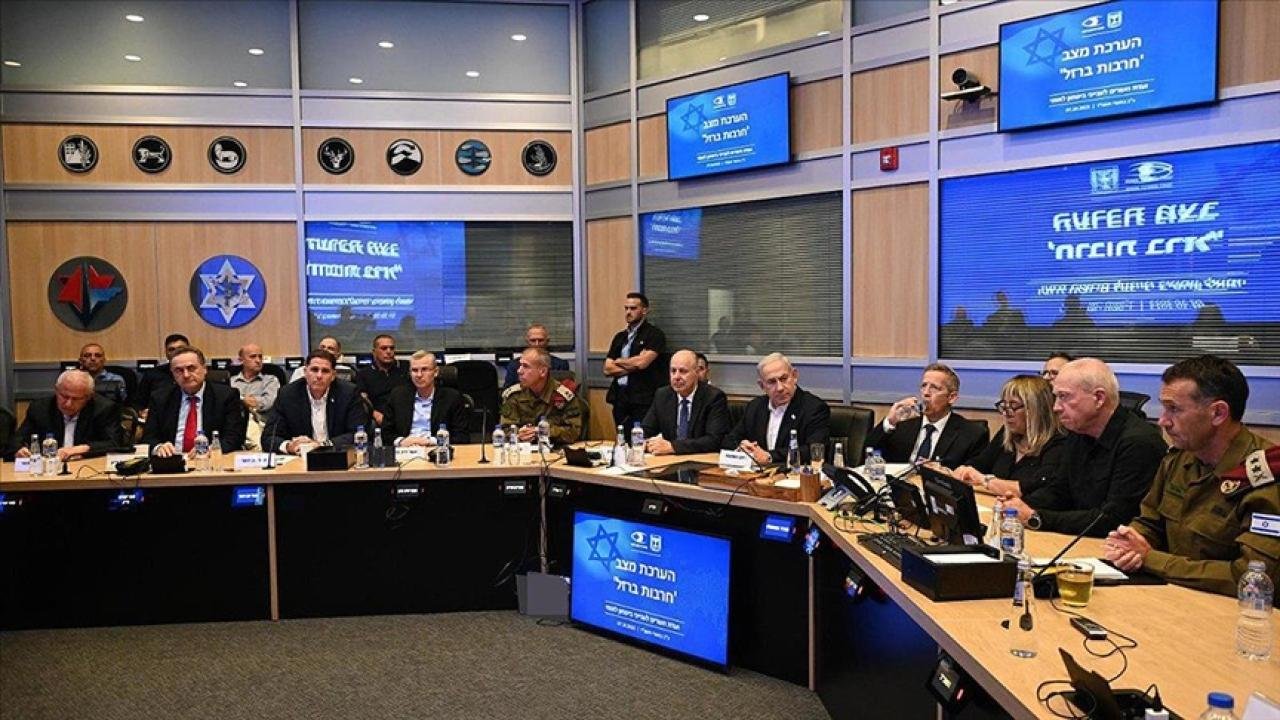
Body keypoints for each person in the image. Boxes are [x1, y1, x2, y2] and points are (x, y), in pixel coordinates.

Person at [1104, 356, 1278, 596]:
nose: (1163, 421)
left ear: (1218, 413)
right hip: (1173, 593)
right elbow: (1150, 522)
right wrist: (1130, 543)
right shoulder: (1179, 459)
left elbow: (1251, 576)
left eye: (1174, 409)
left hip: (1232, 608)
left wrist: (1152, 559)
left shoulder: (1266, 478)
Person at [1004, 358, 1166, 536]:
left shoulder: (1139, 444)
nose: (1056, 407)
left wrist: (1037, 518)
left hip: (1114, 543)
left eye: (1064, 397)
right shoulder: (1079, 432)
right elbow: (1059, 492)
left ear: (1099, 398)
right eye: (1056, 397)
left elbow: (1113, 519)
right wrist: (1019, 505)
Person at [953, 375, 1065, 499]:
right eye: (1004, 406)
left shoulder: (1058, 443)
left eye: (1013, 406)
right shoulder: (1006, 434)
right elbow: (979, 464)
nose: (1006, 414)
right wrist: (963, 471)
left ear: (1036, 409)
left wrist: (985, 480)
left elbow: (1035, 488)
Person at [864, 364, 989, 467]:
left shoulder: (972, 434)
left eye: (934, 388)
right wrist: (890, 422)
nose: (926, 393)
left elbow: (971, 476)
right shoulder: (903, 424)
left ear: (952, 397)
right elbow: (868, 452)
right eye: (924, 386)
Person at [723, 353, 829, 465]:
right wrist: (742, 447)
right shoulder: (755, 407)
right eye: (772, 382)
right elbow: (729, 441)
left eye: (784, 379)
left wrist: (770, 457)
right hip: (756, 473)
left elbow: (813, 450)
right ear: (762, 386)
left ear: (794, 376)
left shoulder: (814, 408)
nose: (780, 388)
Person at [142, 347, 246, 457]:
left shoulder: (226, 396)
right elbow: (149, 437)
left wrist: (212, 449)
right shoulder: (160, 398)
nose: (186, 375)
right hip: (172, 461)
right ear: (172, 374)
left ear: (204, 369)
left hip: (209, 461)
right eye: (179, 370)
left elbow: (234, 437)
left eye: (191, 368)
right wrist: (159, 447)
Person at [266, 350, 368, 453]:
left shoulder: (348, 393)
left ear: (333, 375)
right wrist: (289, 446)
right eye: (314, 370)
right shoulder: (288, 394)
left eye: (325, 371)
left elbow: (358, 433)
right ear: (305, 372)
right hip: (300, 458)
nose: (319, 376)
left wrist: (322, 445)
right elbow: (269, 436)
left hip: (336, 456)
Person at [14, 370, 125, 461]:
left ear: (89, 397)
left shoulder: (104, 409)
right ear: (56, 390)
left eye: (76, 399)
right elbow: (15, 441)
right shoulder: (40, 408)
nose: (68, 404)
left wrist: (80, 449)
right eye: (64, 396)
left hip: (87, 469)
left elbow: (115, 443)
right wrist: (19, 450)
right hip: (48, 470)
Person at [641, 349, 730, 456]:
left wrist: (673, 447)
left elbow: (714, 440)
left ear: (696, 372)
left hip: (699, 459)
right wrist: (644, 442)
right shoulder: (663, 395)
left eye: (683, 371)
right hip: (669, 459)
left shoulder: (713, 397)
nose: (676, 377)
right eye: (673, 371)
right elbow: (647, 429)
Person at [604, 292, 666, 430]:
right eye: (626, 308)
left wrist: (619, 361)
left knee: (641, 437)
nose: (628, 312)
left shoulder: (654, 335)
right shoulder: (620, 337)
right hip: (620, 397)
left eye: (633, 308)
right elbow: (607, 369)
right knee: (622, 438)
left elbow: (642, 363)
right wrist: (634, 364)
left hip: (642, 399)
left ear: (644, 310)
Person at [383, 351, 470, 446]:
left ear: (435, 372)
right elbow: (385, 433)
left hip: (437, 449)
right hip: (405, 449)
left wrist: (431, 441)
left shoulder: (452, 397)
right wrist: (401, 441)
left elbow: (462, 437)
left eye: (424, 369)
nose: (419, 375)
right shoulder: (397, 396)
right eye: (414, 370)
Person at [501, 347, 583, 446]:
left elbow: (574, 431)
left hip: (555, 449)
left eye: (525, 366)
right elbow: (503, 429)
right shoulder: (513, 395)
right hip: (522, 450)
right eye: (520, 365)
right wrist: (518, 434)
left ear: (543, 371)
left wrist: (545, 431)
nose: (519, 371)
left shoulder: (563, 396)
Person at [355, 334, 410, 426]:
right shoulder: (364, 374)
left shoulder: (406, 368)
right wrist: (374, 414)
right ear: (374, 352)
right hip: (378, 416)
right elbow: (362, 400)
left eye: (391, 348)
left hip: (405, 413)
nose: (389, 351)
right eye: (384, 348)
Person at [134, 333, 189, 414]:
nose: (176, 352)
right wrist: (142, 412)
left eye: (181, 349)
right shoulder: (152, 374)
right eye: (171, 349)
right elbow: (138, 404)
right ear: (166, 353)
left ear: (189, 351)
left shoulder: (197, 373)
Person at [503, 324, 569, 387]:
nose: (537, 344)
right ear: (527, 341)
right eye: (533, 340)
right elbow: (508, 392)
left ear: (547, 341)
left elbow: (564, 390)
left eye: (540, 340)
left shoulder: (560, 365)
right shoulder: (515, 365)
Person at [231, 343, 279, 417]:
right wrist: (245, 401)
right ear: (241, 360)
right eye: (253, 356)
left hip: (261, 421)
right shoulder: (231, 382)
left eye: (260, 357)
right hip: (236, 421)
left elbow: (269, 403)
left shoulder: (271, 380)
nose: (258, 360)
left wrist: (241, 401)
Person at [289, 336, 355, 382]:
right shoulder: (300, 372)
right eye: (322, 347)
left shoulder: (347, 371)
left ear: (338, 354)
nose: (325, 350)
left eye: (330, 348)